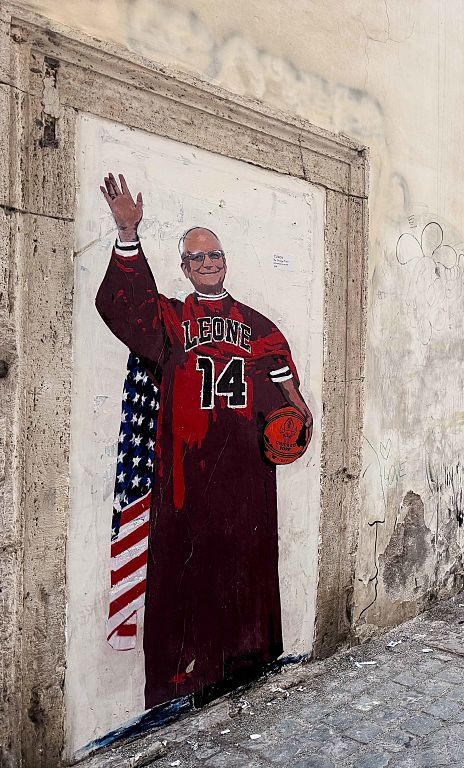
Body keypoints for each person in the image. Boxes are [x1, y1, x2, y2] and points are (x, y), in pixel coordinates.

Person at [95, 173, 313, 708]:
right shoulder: (171, 317)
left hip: (244, 479)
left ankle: (248, 668)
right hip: (185, 481)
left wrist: (295, 425)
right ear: (185, 267)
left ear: (225, 262)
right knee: (187, 579)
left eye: (215, 255)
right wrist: (128, 233)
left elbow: (292, 400)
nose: (208, 264)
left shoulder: (261, 328)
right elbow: (127, 308)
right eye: (197, 258)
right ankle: (186, 687)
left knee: (245, 572)